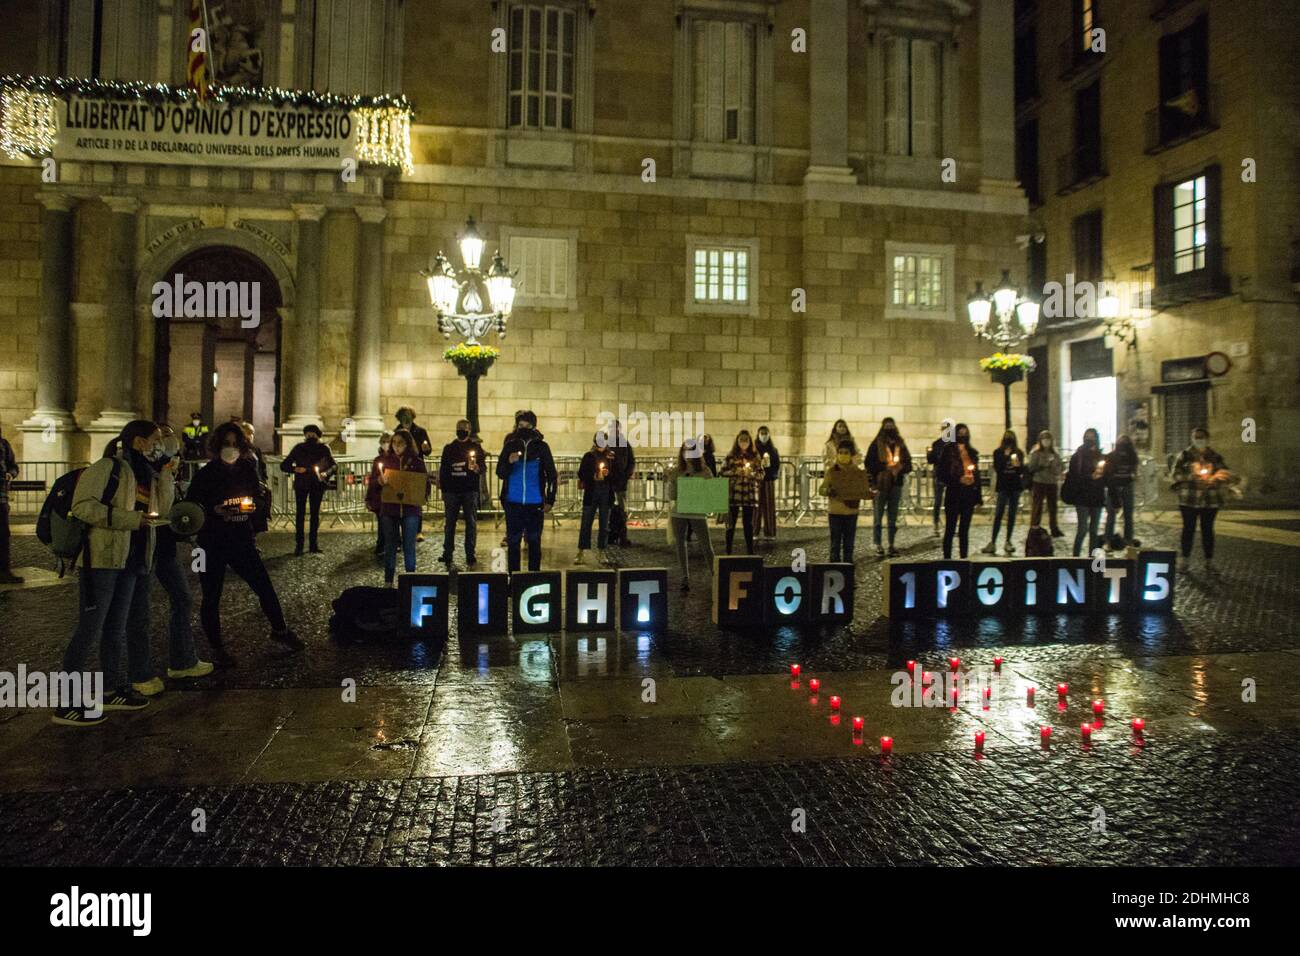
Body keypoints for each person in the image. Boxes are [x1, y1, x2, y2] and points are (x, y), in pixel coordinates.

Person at [53, 420, 171, 725]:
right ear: (137, 441)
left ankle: (111, 688)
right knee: (89, 629)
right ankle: (67, 702)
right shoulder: (108, 467)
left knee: (115, 629)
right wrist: (130, 519)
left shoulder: (149, 474)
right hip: (102, 559)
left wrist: (168, 475)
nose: (160, 444)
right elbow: (82, 506)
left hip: (131, 561)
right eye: (155, 439)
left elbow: (165, 510)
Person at [187, 422, 302, 666]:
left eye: (235, 444)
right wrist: (214, 510)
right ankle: (217, 648)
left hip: (241, 538)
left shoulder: (247, 469)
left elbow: (259, 497)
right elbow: (192, 508)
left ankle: (280, 630)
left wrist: (253, 508)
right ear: (218, 446)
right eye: (226, 444)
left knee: (264, 586)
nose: (231, 449)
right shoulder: (206, 474)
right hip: (212, 541)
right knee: (211, 596)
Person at [149, 425, 213, 681]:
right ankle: (135, 674)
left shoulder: (163, 471)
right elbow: (161, 509)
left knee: (182, 598)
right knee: (135, 611)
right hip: (143, 546)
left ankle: (182, 661)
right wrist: (166, 476)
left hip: (163, 545)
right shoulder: (149, 471)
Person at [497, 410, 558, 572]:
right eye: (520, 425)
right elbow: (500, 472)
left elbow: (552, 475)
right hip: (513, 503)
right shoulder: (510, 445)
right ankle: (513, 577)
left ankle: (533, 577)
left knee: (534, 542)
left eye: (527, 425)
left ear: (534, 426)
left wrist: (550, 499)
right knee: (514, 543)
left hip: (535, 503)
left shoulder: (542, 448)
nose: (523, 428)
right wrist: (509, 462)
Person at [367, 428, 427, 585]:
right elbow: (373, 484)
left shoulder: (417, 462)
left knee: (409, 547)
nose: (396, 446)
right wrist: (379, 482)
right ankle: (388, 582)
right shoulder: (384, 461)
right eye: (394, 442)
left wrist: (419, 492)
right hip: (389, 510)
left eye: (400, 443)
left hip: (410, 511)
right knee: (390, 547)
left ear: (408, 444)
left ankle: (410, 582)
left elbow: (424, 485)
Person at [1172, 427, 1230, 572]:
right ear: (1192, 438)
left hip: (1210, 500)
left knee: (1208, 530)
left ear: (1207, 438)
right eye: (1196, 437)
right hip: (1189, 499)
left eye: (1201, 437)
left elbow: (1224, 473)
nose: (1199, 440)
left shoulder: (1215, 456)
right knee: (1188, 529)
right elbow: (1175, 474)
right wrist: (1191, 478)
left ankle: (1209, 561)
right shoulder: (1184, 455)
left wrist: (1215, 479)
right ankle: (1184, 560)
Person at [666, 437, 717, 590]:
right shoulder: (677, 471)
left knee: (706, 544)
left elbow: (712, 490)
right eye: (684, 450)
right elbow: (673, 496)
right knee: (680, 544)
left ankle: (715, 573)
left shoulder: (704, 470)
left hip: (697, 511)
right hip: (679, 512)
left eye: (690, 450)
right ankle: (685, 577)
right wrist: (671, 481)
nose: (687, 454)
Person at [280, 424, 336, 555]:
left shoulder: (323, 448)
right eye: (308, 433)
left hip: (317, 485)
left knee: (314, 515)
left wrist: (326, 474)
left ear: (318, 435)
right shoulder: (299, 448)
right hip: (301, 485)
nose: (310, 435)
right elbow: (284, 465)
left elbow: (334, 465)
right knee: (300, 514)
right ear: (305, 435)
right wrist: (295, 469)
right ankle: (299, 545)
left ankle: (313, 544)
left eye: (313, 433)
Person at [438, 419, 484, 569]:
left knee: (471, 522)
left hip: (469, 490)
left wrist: (477, 468)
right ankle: (448, 552)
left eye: (464, 428)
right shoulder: (449, 448)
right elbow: (444, 470)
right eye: (459, 428)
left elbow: (482, 468)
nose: (461, 430)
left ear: (469, 430)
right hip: (452, 491)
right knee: (450, 523)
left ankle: (470, 552)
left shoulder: (475, 448)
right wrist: (444, 490)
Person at [864, 417, 911, 558]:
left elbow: (908, 463)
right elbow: (868, 463)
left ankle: (891, 544)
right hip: (881, 483)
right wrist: (885, 468)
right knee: (878, 517)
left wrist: (899, 468)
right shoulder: (876, 443)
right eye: (887, 425)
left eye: (891, 425)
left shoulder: (900, 444)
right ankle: (878, 544)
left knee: (892, 517)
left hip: (896, 484)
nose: (889, 428)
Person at [937, 422, 981, 559]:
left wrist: (978, 495)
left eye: (965, 433)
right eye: (960, 433)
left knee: (964, 530)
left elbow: (976, 474)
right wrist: (957, 479)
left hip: (968, 494)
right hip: (954, 493)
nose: (963, 436)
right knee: (950, 529)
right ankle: (947, 558)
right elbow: (941, 473)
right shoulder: (948, 450)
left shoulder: (972, 452)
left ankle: (963, 558)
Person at [819, 439, 866, 563]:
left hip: (851, 512)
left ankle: (848, 567)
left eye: (846, 452)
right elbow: (822, 489)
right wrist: (828, 491)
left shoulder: (857, 471)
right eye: (840, 452)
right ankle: (834, 565)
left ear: (851, 455)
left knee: (849, 543)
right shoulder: (832, 471)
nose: (843, 455)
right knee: (835, 543)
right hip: (835, 512)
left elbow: (862, 489)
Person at [575, 431, 616, 565]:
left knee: (604, 525)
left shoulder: (611, 457)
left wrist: (608, 474)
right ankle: (581, 551)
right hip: (591, 492)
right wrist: (592, 476)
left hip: (606, 493)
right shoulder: (589, 456)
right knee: (586, 522)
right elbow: (581, 472)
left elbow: (617, 475)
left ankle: (602, 550)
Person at [983, 430, 1026, 555]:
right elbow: (998, 468)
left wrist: (1017, 465)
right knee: (998, 514)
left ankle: (1008, 540)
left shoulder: (1019, 453)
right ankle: (993, 541)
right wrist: (1005, 456)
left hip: (1015, 487)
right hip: (1003, 486)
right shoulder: (998, 452)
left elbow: (1020, 470)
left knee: (1012, 515)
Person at [720, 430, 762, 555]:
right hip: (734, 493)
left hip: (749, 493)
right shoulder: (731, 456)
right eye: (741, 440)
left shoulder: (755, 456)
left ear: (750, 442)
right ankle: (728, 550)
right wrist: (735, 473)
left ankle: (750, 550)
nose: (744, 443)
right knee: (731, 523)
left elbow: (761, 473)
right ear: (737, 441)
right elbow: (722, 471)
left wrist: (752, 474)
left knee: (748, 523)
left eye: (746, 440)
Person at [395, 407, 433, 542]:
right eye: (403, 415)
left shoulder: (420, 431)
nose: (406, 418)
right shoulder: (396, 431)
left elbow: (428, 451)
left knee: (416, 501)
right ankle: (401, 530)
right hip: (401, 469)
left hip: (416, 469)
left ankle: (418, 530)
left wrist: (426, 449)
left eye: (408, 415)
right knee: (399, 500)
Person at [1067, 428, 1106, 557]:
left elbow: (1106, 476)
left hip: (1097, 497)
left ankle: (1092, 559)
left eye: (1092, 437)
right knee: (1082, 529)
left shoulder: (1100, 456)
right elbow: (1074, 476)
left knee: (1094, 531)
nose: (1090, 440)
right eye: (1087, 437)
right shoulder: (1078, 456)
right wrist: (1090, 477)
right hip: (1082, 497)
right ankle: (1076, 558)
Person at [1103, 433, 1140, 550]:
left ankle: (1128, 540)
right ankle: (1107, 541)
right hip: (1114, 487)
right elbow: (1108, 473)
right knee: (1111, 515)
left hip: (1127, 486)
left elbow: (1135, 471)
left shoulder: (1132, 456)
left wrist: (1133, 476)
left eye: (1126, 442)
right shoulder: (1111, 456)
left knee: (1128, 515)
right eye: (1121, 442)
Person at [1025, 430, 1064, 537]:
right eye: (1044, 439)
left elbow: (1060, 467)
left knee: (1053, 506)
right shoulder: (1036, 453)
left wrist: (1054, 467)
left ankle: (1054, 527)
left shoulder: (1055, 454)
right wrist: (1042, 465)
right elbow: (1031, 467)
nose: (1046, 442)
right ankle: (1034, 527)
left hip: (1051, 482)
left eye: (1048, 439)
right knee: (1037, 505)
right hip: (1039, 481)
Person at [606, 419, 636, 547]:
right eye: (612, 428)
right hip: (608, 483)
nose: (614, 430)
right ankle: (611, 535)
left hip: (620, 482)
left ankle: (622, 536)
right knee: (609, 510)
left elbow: (631, 461)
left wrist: (626, 475)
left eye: (616, 428)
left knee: (622, 510)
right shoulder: (606, 443)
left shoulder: (625, 444)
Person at [0, 422, 20, 584]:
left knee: (3, 535)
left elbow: (13, 466)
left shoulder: (4, 445)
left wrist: (10, 474)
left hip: (1, 498)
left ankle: (4, 571)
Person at [755, 426, 781, 538]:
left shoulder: (773, 450)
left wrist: (771, 470)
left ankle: (769, 532)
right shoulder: (754, 449)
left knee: (769, 507)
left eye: (766, 433)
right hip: (756, 480)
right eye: (762, 433)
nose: (764, 435)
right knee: (756, 507)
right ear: (758, 434)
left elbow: (776, 464)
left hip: (768, 479)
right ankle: (754, 531)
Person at [926, 422, 950, 537]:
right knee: (938, 501)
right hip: (940, 474)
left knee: (952, 501)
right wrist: (929, 454)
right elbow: (931, 460)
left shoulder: (955, 444)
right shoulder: (937, 444)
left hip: (951, 475)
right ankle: (936, 523)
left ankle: (951, 524)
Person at [373, 431, 393, 557]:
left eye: (388, 442)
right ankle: (381, 544)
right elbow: (374, 478)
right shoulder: (378, 460)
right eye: (383, 442)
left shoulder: (394, 458)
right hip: (380, 495)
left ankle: (393, 543)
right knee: (381, 521)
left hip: (392, 493)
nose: (386, 444)